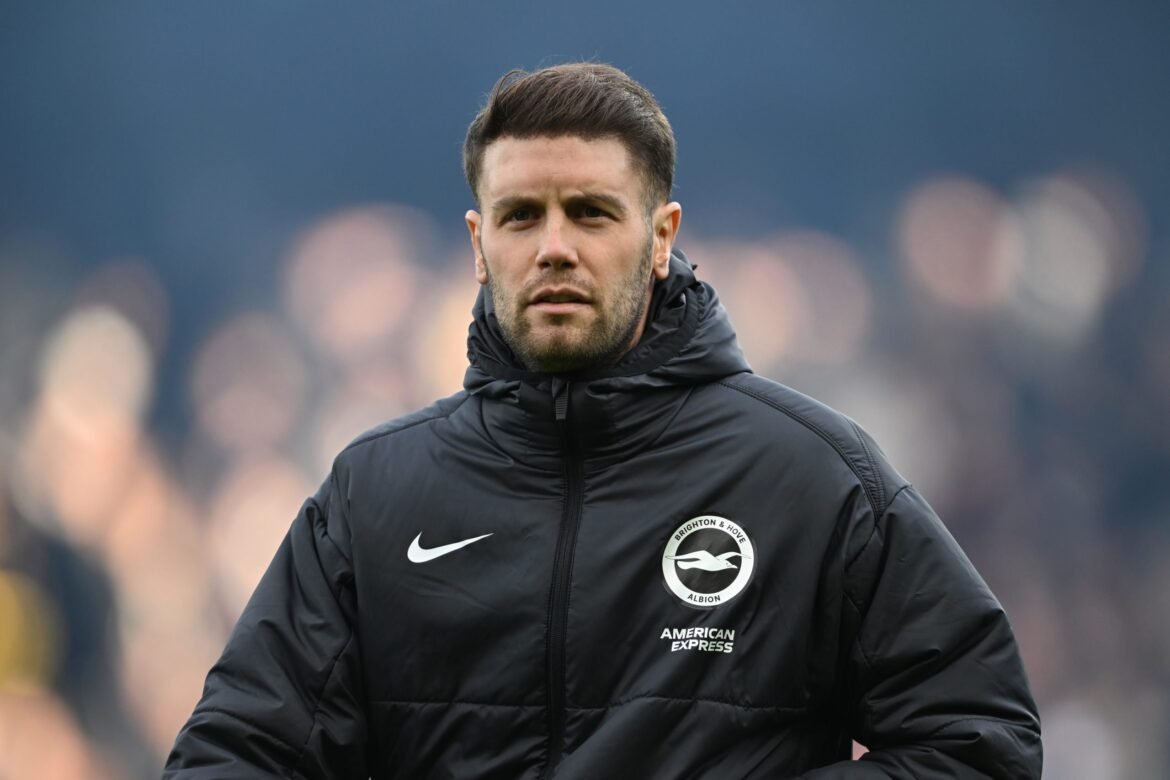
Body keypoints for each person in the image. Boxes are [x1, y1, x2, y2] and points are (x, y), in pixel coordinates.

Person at [165, 63, 1042, 778]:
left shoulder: (812, 479)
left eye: (590, 212)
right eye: (521, 216)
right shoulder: (376, 493)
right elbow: (235, 754)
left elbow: (978, 744)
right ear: (478, 245)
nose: (555, 247)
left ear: (661, 237)